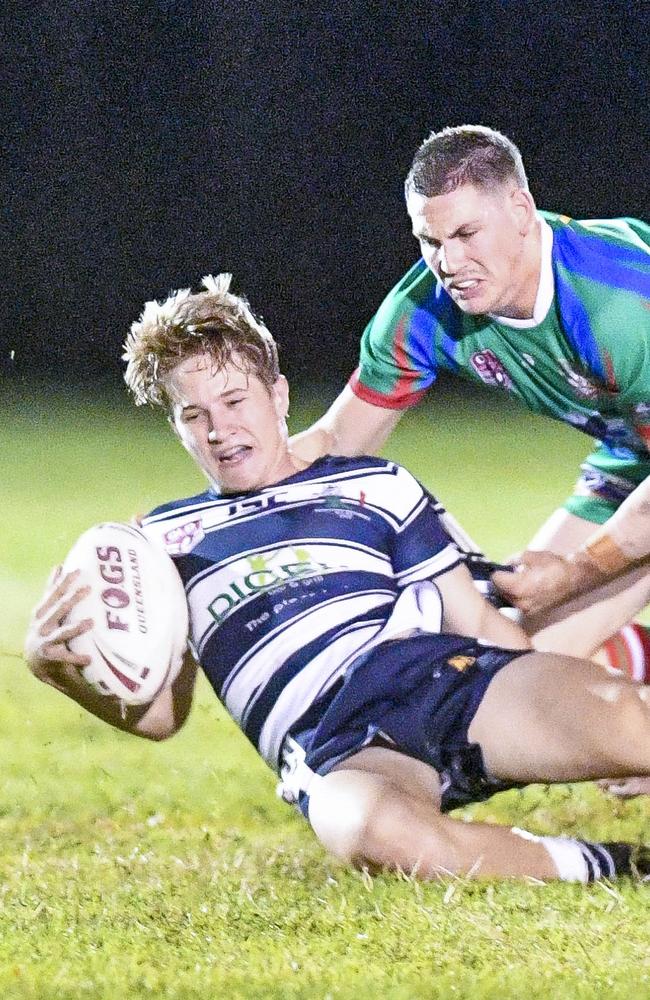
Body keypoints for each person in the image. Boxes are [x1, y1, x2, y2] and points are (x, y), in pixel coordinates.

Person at [24, 275, 650, 883]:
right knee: (374, 835)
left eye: (236, 401)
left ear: (278, 396)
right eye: (195, 415)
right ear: (177, 426)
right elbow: (162, 714)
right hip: (340, 745)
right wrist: (59, 670)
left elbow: (481, 625)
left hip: (446, 681)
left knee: (624, 719)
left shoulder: (373, 485)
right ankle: (615, 865)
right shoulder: (159, 544)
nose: (220, 430)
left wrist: (585, 718)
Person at [290, 124, 650, 681]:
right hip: (633, 461)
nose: (448, 262)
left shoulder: (622, 304)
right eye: (430, 241)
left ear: (522, 208)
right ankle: (623, 666)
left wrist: (576, 574)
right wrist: (201, 521)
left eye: (466, 233)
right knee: (500, 671)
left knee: (531, 672)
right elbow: (336, 446)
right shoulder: (422, 312)